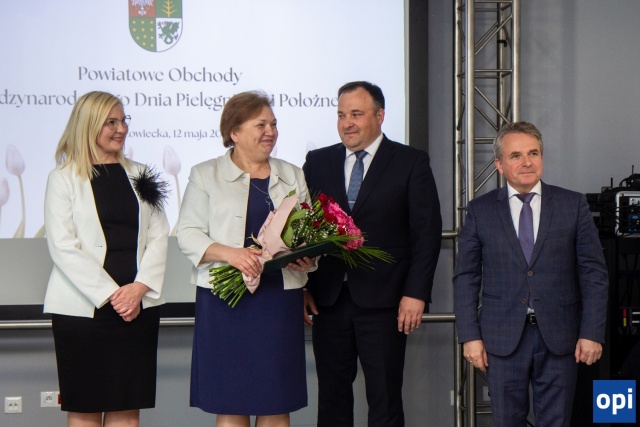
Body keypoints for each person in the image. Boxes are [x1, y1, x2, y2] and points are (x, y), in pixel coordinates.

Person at [302, 81, 442, 427]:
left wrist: (416, 293)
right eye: (341, 115)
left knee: (385, 399)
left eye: (356, 114)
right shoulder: (317, 162)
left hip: (386, 302)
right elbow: (303, 231)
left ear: (380, 116)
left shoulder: (410, 162)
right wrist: (302, 286)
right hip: (328, 300)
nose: (347, 123)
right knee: (331, 399)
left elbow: (426, 235)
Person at [453, 121, 609, 427]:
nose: (527, 162)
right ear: (499, 165)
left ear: (542, 157)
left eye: (533, 153)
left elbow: (594, 274)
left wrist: (592, 332)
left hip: (561, 337)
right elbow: (466, 277)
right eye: (516, 155)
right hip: (501, 338)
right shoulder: (480, 210)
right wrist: (470, 336)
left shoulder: (572, 204)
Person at [176, 91, 315, 427]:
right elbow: (188, 233)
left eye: (274, 124)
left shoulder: (292, 174)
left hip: (278, 300)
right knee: (231, 402)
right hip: (225, 300)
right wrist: (233, 255)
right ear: (234, 132)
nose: (270, 131)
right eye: (261, 125)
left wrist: (307, 259)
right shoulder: (205, 174)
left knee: (275, 401)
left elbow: (309, 234)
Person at [43, 91, 169, 427]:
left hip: (137, 308)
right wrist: (115, 295)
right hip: (83, 311)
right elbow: (63, 246)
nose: (121, 129)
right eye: (111, 122)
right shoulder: (63, 178)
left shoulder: (141, 174)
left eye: (124, 120)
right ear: (88, 125)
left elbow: (159, 235)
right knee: (85, 406)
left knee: (127, 407)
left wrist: (139, 288)